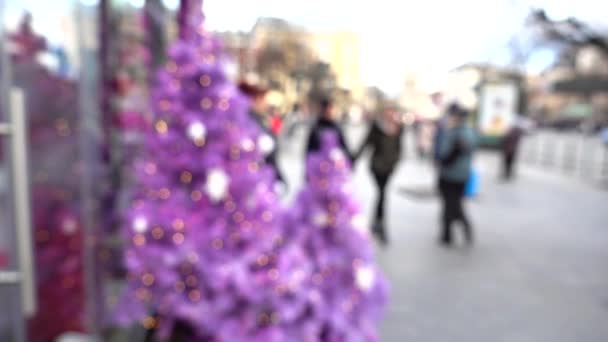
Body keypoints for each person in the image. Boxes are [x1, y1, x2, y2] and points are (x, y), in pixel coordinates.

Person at [355, 103, 404, 245]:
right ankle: (380, 225)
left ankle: (377, 223)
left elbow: (399, 148)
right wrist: (354, 158)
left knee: (382, 193)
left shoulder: (398, 128)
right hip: (377, 167)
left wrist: (395, 162)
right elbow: (366, 143)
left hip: (389, 167)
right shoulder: (377, 127)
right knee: (382, 193)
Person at [437, 103, 476, 246]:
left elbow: (457, 151)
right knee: (450, 204)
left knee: (453, 205)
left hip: (454, 175)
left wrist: (444, 161)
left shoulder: (462, 132)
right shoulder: (455, 130)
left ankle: (455, 231)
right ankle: (447, 233)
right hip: (452, 174)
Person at [238, 80, 285, 185]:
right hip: (255, 179)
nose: (266, 103)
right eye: (263, 98)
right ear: (255, 99)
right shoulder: (251, 121)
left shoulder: (258, 119)